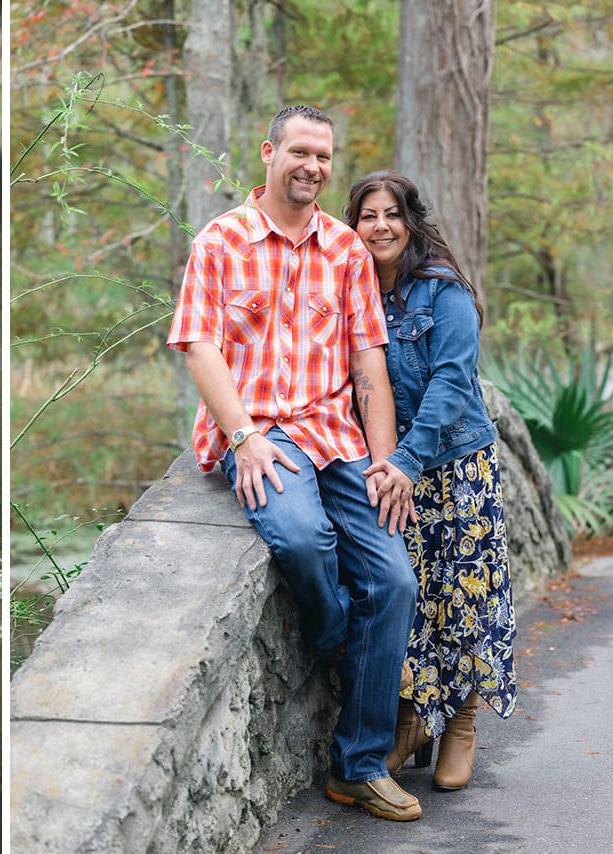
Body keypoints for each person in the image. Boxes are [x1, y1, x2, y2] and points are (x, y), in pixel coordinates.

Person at [167, 105, 421, 821]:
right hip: (261, 437)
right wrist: (243, 435)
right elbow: (199, 346)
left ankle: (359, 765)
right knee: (305, 541)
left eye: (324, 156)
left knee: (395, 579)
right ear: (269, 152)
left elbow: (368, 361)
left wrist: (384, 460)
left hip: (336, 435)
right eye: (300, 152)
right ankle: (348, 645)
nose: (313, 166)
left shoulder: (345, 251)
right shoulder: (221, 241)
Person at [345, 170, 516, 792]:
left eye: (392, 214)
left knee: (463, 594)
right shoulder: (351, 288)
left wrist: (405, 463)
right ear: (354, 224)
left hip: (454, 466)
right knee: (411, 595)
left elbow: (449, 384)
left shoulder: (443, 292)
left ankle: (462, 726)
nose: (381, 226)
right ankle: (415, 720)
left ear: (411, 221)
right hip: (394, 471)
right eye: (368, 216)